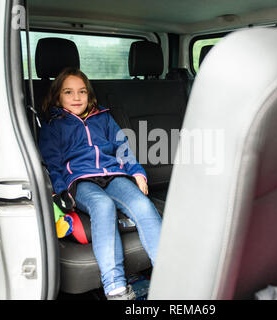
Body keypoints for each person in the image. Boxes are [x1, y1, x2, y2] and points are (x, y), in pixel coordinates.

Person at [39, 67, 162, 300]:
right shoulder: (54, 125)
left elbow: (122, 147)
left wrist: (137, 173)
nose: (77, 97)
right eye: (68, 92)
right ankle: (115, 286)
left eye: (82, 92)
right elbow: (52, 163)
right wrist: (60, 191)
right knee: (102, 205)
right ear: (57, 96)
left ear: (89, 95)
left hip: (114, 175)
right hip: (80, 180)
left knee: (142, 204)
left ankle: (168, 274)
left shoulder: (103, 117)